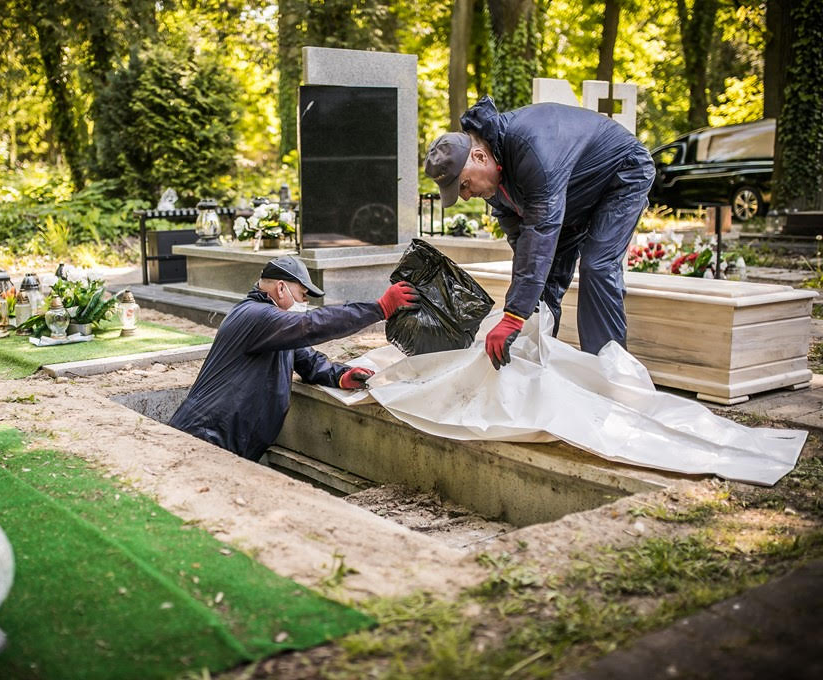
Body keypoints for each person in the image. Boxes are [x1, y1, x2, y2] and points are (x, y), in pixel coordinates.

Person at [424, 96, 654, 370]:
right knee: (541, 290)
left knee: (597, 266)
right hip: (571, 196)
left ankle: (610, 373)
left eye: (463, 185)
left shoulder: (530, 147)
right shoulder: (492, 185)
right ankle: (532, 368)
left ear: (479, 156)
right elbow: (526, 251)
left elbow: (541, 228)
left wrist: (512, 316)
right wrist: (519, 311)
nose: (465, 196)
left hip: (621, 174)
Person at [169, 255, 418, 461]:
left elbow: (308, 361)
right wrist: (379, 308)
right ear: (281, 288)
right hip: (206, 436)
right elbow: (311, 325)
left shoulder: (274, 329)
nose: (304, 303)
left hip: (227, 438)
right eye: (302, 295)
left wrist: (341, 376)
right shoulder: (256, 316)